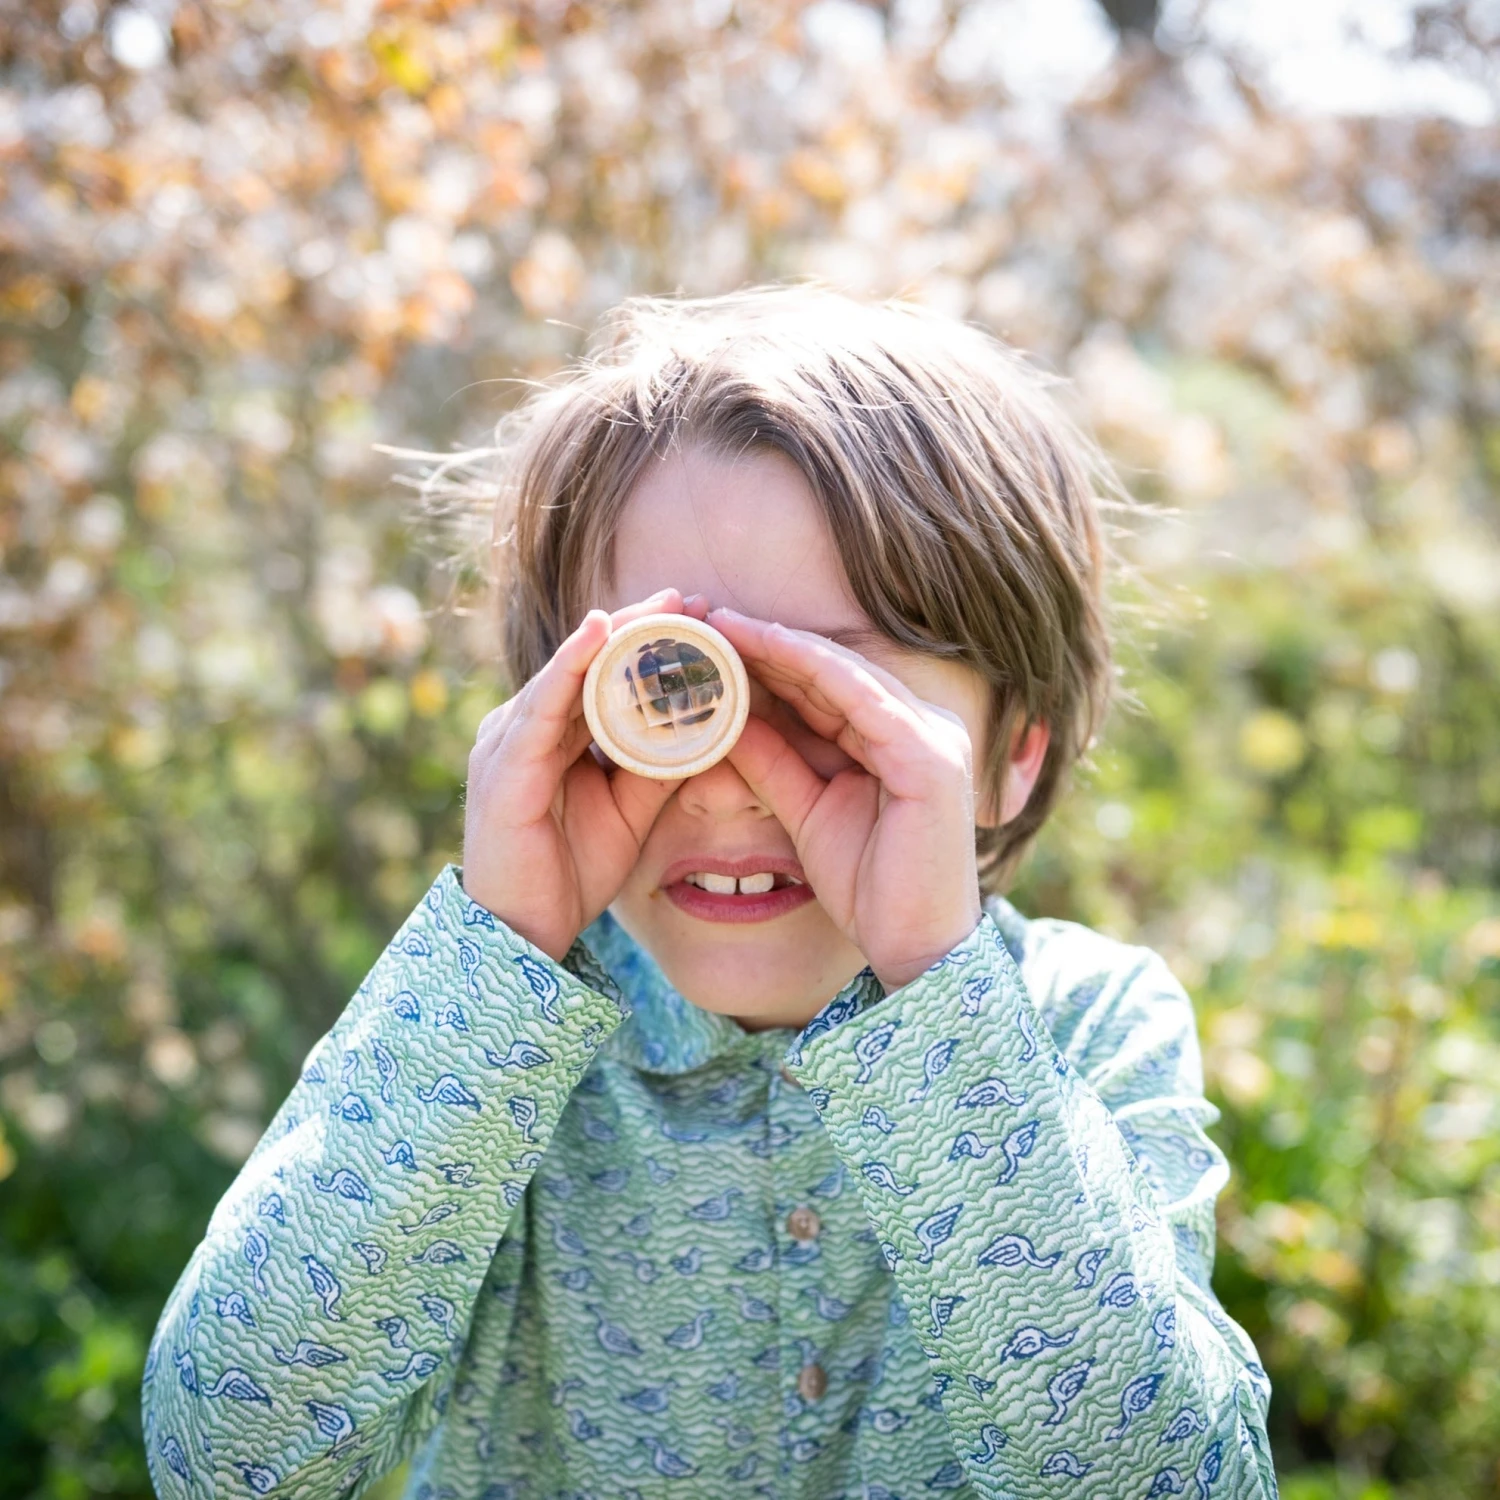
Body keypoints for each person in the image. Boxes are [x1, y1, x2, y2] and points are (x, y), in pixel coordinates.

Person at [141, 285, 1278, 1500]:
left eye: (831, 694)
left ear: (1015, 749)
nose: (735, 787)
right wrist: (499, 947)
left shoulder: (1085, 1028)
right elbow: (229, 1460)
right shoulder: (482, 1054)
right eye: (667, 685)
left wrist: (936, 1005)